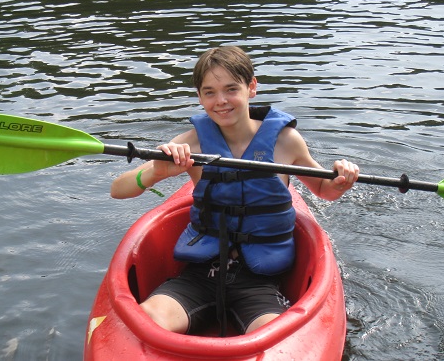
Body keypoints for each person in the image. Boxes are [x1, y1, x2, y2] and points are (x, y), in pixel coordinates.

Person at [110, 46, 359, 336]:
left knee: (274, 338)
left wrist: (341, 178)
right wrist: (155, 172)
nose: (221, 101)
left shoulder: (286, 142)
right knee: (145, 323)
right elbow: (119, 190)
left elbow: (324, 191)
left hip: (260, 280)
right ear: (200, 96)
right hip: (199, 274)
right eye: (210, 92)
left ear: (251, 87)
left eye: (231, 89)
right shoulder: (191, 144)